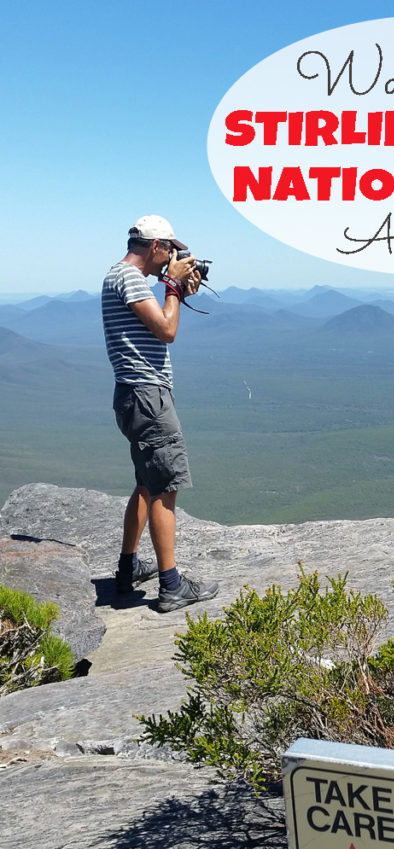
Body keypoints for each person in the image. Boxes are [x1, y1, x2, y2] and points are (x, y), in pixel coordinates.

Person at [102, 215, 218, 612]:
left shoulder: (120, 276)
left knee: (147, 484)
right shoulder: (131, 280)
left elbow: (160, 317)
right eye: (169, 248)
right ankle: (171, 585)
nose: (172, 255)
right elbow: (167, 330)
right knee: (165, 487)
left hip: (133, 395)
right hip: (148, 396)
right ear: (154, 247)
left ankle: (127, 568)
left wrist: (178, 283)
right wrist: (171, 285)